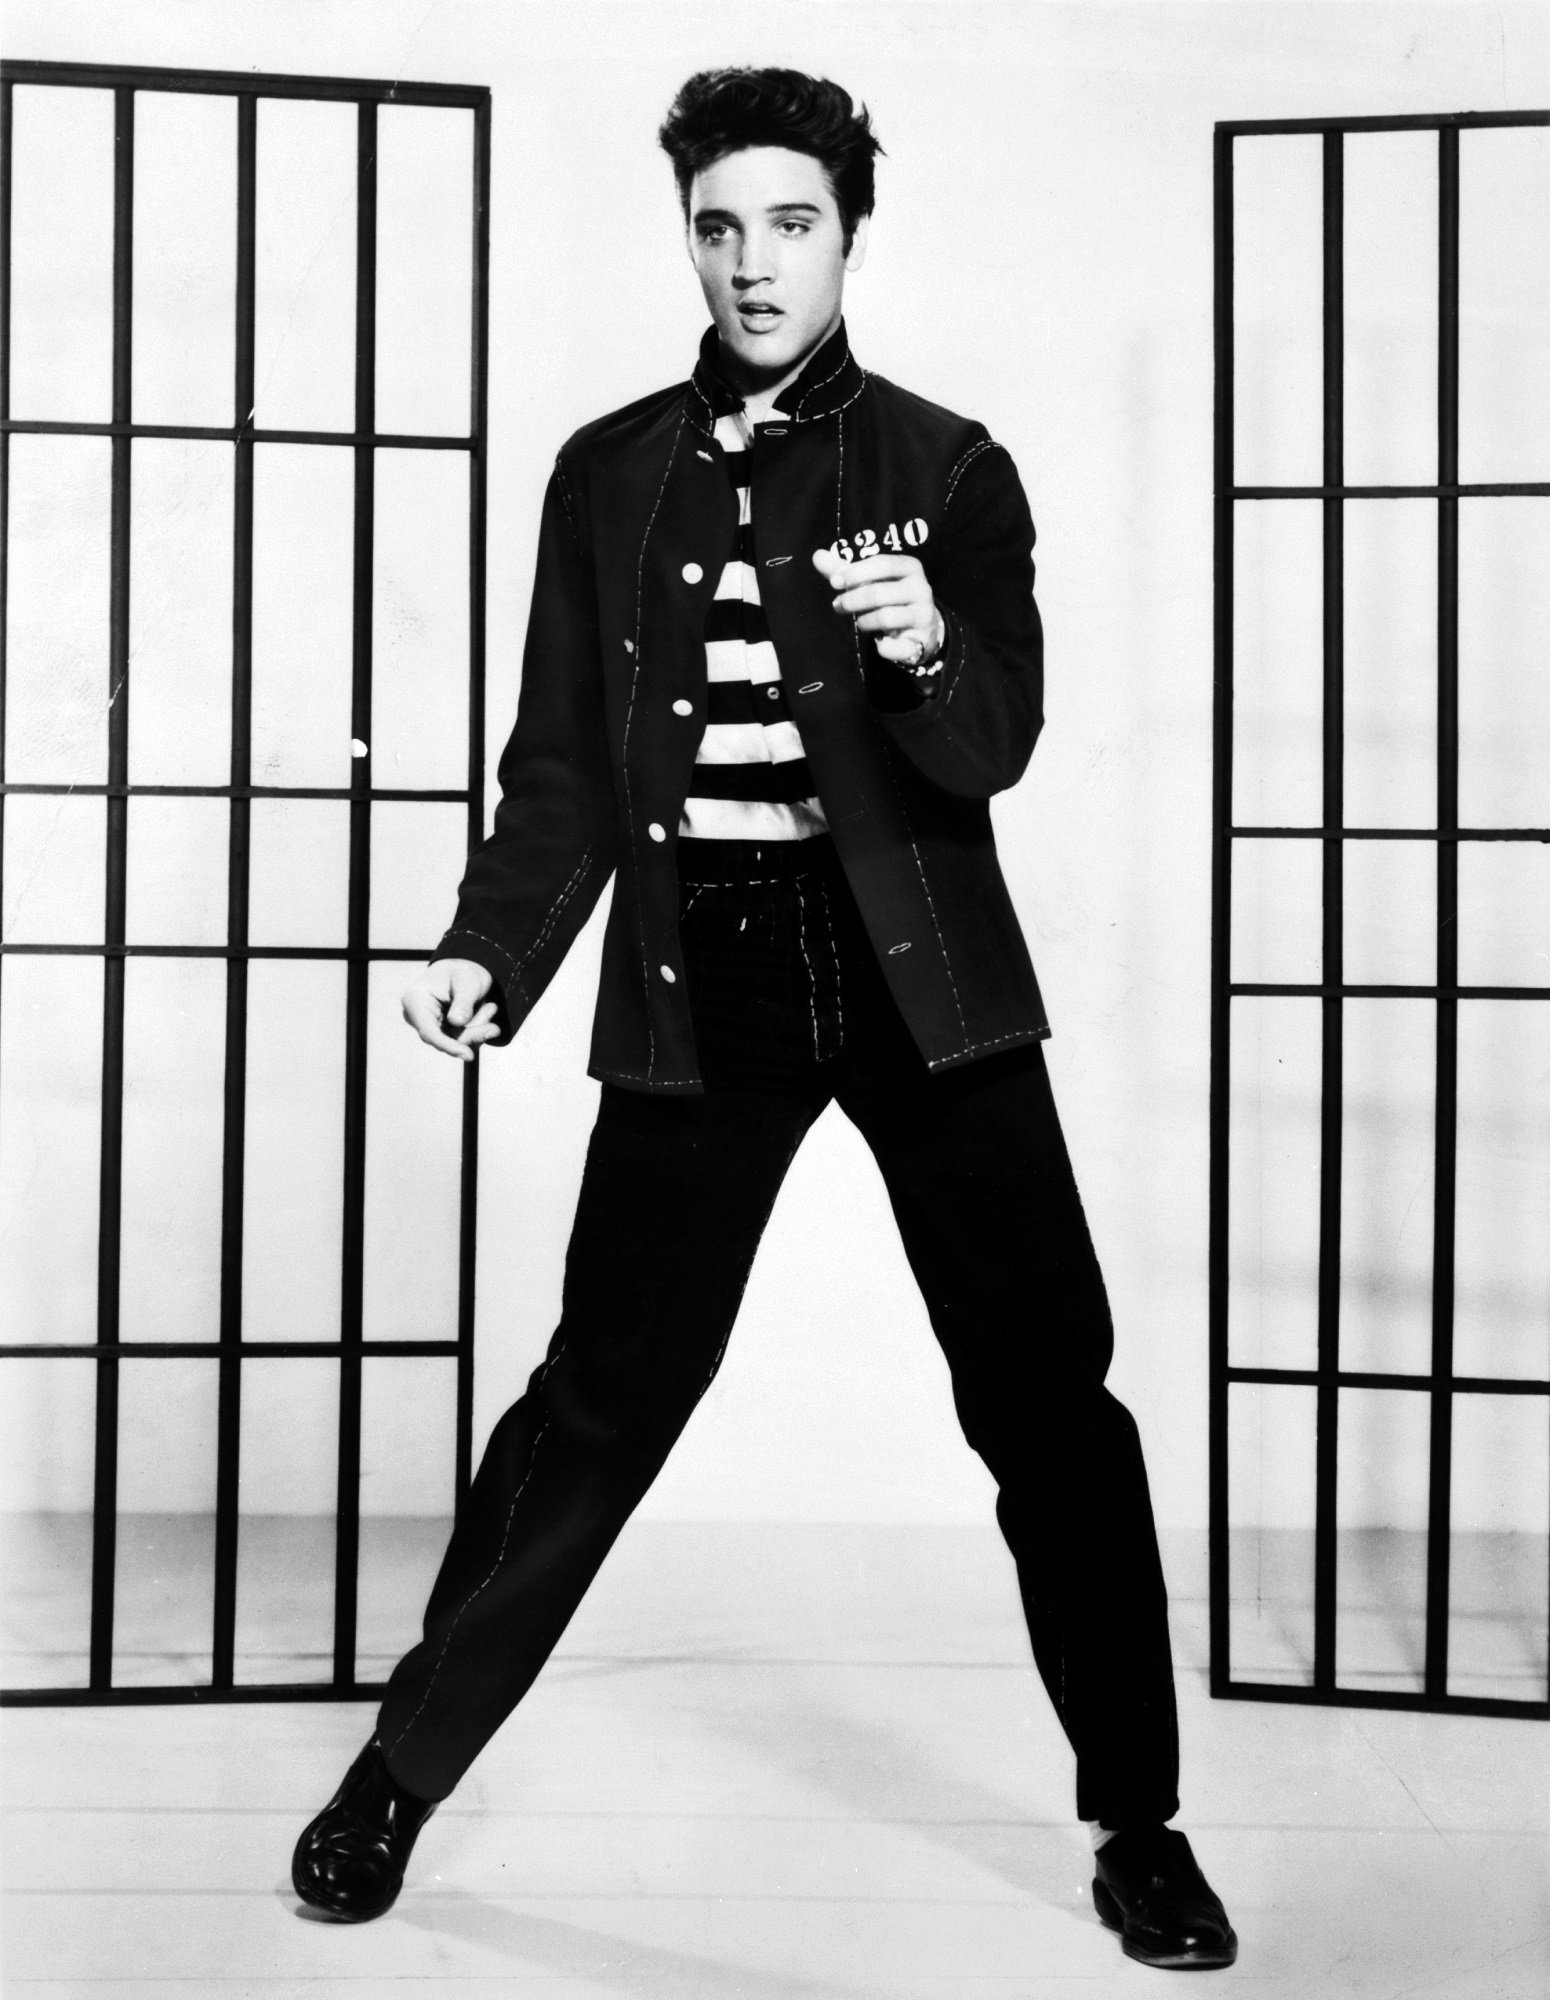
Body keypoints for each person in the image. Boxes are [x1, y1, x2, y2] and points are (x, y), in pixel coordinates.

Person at [290, 65, 1236, 1971]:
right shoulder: (607, 467)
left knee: (1049, 1402)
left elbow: (994, 749)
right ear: (691, 238)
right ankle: (397, 1771)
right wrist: (493, 944)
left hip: (922, 983)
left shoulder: (949, 465)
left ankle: (1139, 1822)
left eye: (789, 221)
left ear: (847, 234)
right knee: (599, 1402)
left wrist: (925, 649)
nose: (751, 260)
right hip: (694, 971)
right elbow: (560, 764)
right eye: (719, 223)